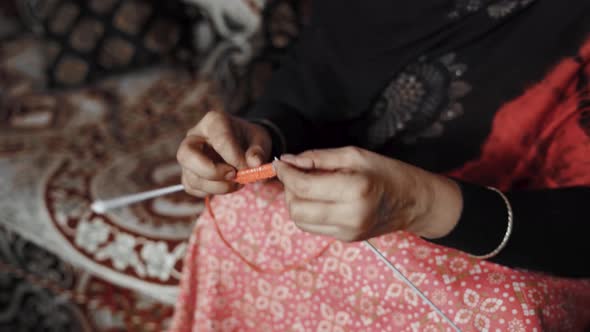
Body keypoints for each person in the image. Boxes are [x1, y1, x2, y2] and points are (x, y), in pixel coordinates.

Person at [172, 1, 590, 330]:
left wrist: (424, 204)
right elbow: (318, 75)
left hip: (538, 240)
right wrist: (264, 135)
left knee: (502, 311)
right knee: (241, 208)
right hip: (366, 188)